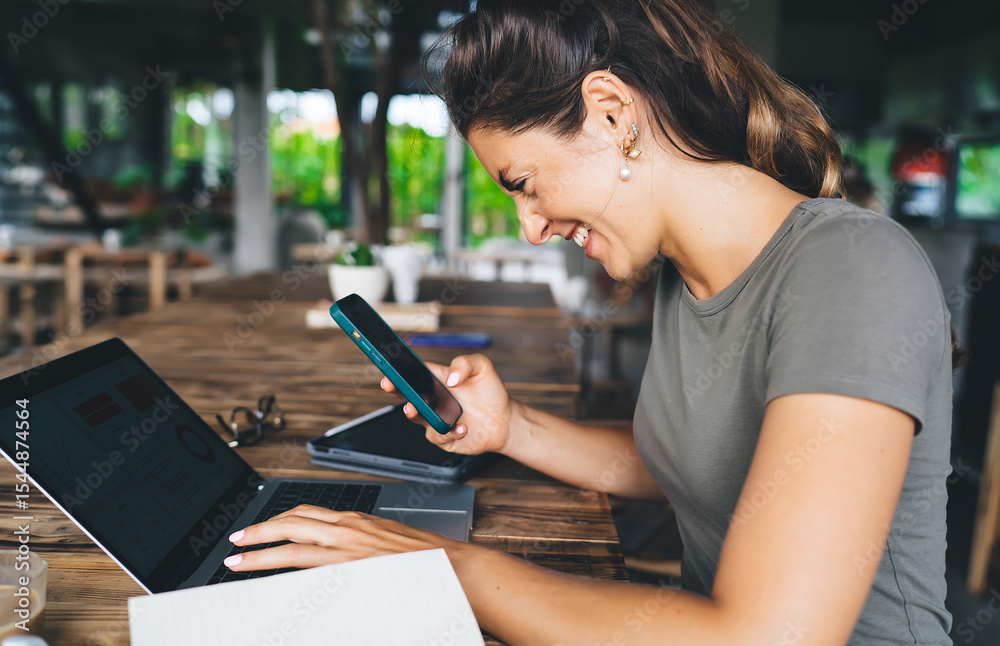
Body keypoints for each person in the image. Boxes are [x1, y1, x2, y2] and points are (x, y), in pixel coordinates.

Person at [225, 1, 957, 643]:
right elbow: (694, 465)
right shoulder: (687, 274)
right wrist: (511, 428)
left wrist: (433, 562)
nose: (531, 227)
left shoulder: (851, 267)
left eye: (525, 184)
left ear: (612, 110)